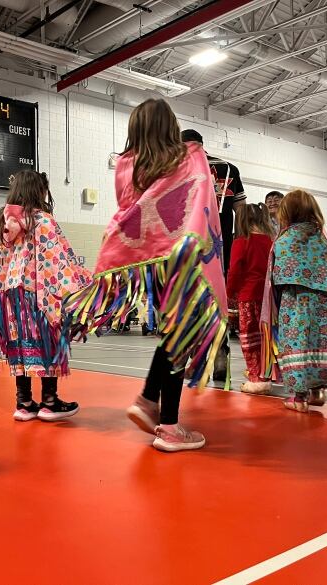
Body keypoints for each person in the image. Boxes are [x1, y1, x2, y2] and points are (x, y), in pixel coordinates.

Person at [66, 99, 227, 452]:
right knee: (180, 334)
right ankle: (168, 426)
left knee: (172, 331)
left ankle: (148, 401)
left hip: (144, 260)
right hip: (180, 256)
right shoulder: (189, 156)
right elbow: (201, 201)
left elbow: (129, 206)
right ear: (170, 125)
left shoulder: (127, 164)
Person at [0, 170, 91, 422]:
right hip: (39, 295)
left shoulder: (6, 223)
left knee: (20, 345)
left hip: (11, 298)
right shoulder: (43, 221)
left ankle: (24, 402)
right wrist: (80, 282)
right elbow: (57, 260)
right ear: (38, 190)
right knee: (48, 341)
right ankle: (50, 403)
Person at [261, 190, 327, 413]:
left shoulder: (284, 240)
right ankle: (318, 392)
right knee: (321, 345)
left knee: (298, 344)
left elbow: (275, 279)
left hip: (297, 304)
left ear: (287, 212)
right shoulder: (325, 239)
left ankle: (299, 398)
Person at [181, 129, 245, 383]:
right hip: (222, 247)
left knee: (188, 306)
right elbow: (241, 211)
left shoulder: (179, 169)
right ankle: (219, 359)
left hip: (189, 246)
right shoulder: (229, 168)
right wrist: (239, 247)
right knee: (218, 305)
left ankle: (194, 360)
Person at [226, 204, 274, 395]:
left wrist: (229, 295)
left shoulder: (241, 241)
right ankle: (267, 373)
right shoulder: (271, 241)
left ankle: (257, 378)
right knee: (267, 338)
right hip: (268, 296)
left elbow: (235, 271)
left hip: (248, 295)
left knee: (250, 338)